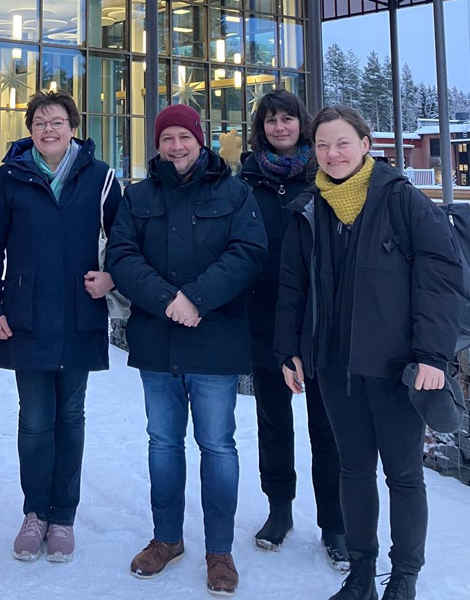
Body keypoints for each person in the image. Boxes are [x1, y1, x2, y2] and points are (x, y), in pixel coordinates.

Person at [274, 106, 462, 600]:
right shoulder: (310, 207)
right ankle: (361, 573)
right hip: (335, 366)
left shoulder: (402, 200)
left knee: (404, 475)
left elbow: (440, 281)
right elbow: (292, 286)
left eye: (342, 143)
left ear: (364, 144)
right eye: (322, 145)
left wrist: (433, 356)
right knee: (353, 471)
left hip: (395, 368)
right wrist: (290, 350)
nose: (332, 154)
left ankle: (404, 578)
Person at [107, 103, 267, 596]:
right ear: (157, 145)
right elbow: (121, 256)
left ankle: (219, 550)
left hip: (215, 341)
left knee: (217, 445)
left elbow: (249, 253)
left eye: (185, 137)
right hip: (158, 342)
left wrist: (196, 298)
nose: (176, 146)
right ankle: (167, 539)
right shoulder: (137, 196)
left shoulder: (234, 193)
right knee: (163, 443)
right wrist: (167, 300)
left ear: (201, 141)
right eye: (167, 138)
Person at [0, 90, 122, 563]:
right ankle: (35, 513)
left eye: (57, 122)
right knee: (35, 420)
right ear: (30, 130)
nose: (48, 130)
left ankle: (63, 517)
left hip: (80, 312)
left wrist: (112, 277)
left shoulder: (100, 177)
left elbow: (126, 239)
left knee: (71, 417)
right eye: (40, 122)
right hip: (27, 315)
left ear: (73, 127)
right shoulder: (12, 176)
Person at [239, 90, 347, 568]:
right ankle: (279, 509)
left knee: (327, 426)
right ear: (260, 128)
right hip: (265, 317)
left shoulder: (325, 176)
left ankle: (335, 523)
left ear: (302, 123)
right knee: (273, 421)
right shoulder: (246, 181)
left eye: (287, 118)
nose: (279, 127)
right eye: (270, 120)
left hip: (319, 320)